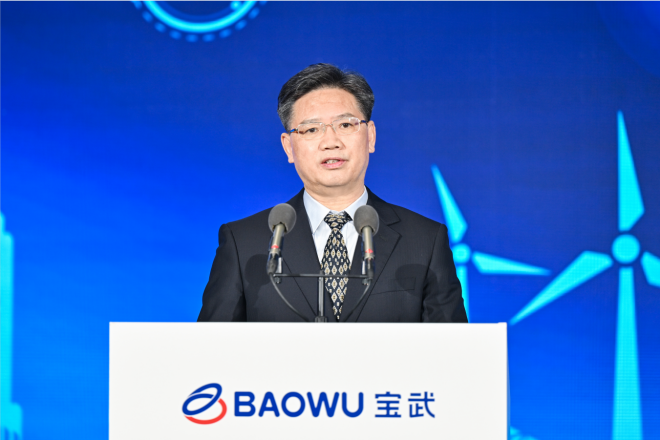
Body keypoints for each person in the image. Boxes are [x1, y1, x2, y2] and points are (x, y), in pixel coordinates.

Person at [198, 63, 467, 323]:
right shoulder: (244, 243)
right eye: (311, 129)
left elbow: (455, 349)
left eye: (346, 125)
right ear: (288, 147)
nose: (331, 142)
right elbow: (209, 348)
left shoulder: (425, 241)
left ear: (370, 136)